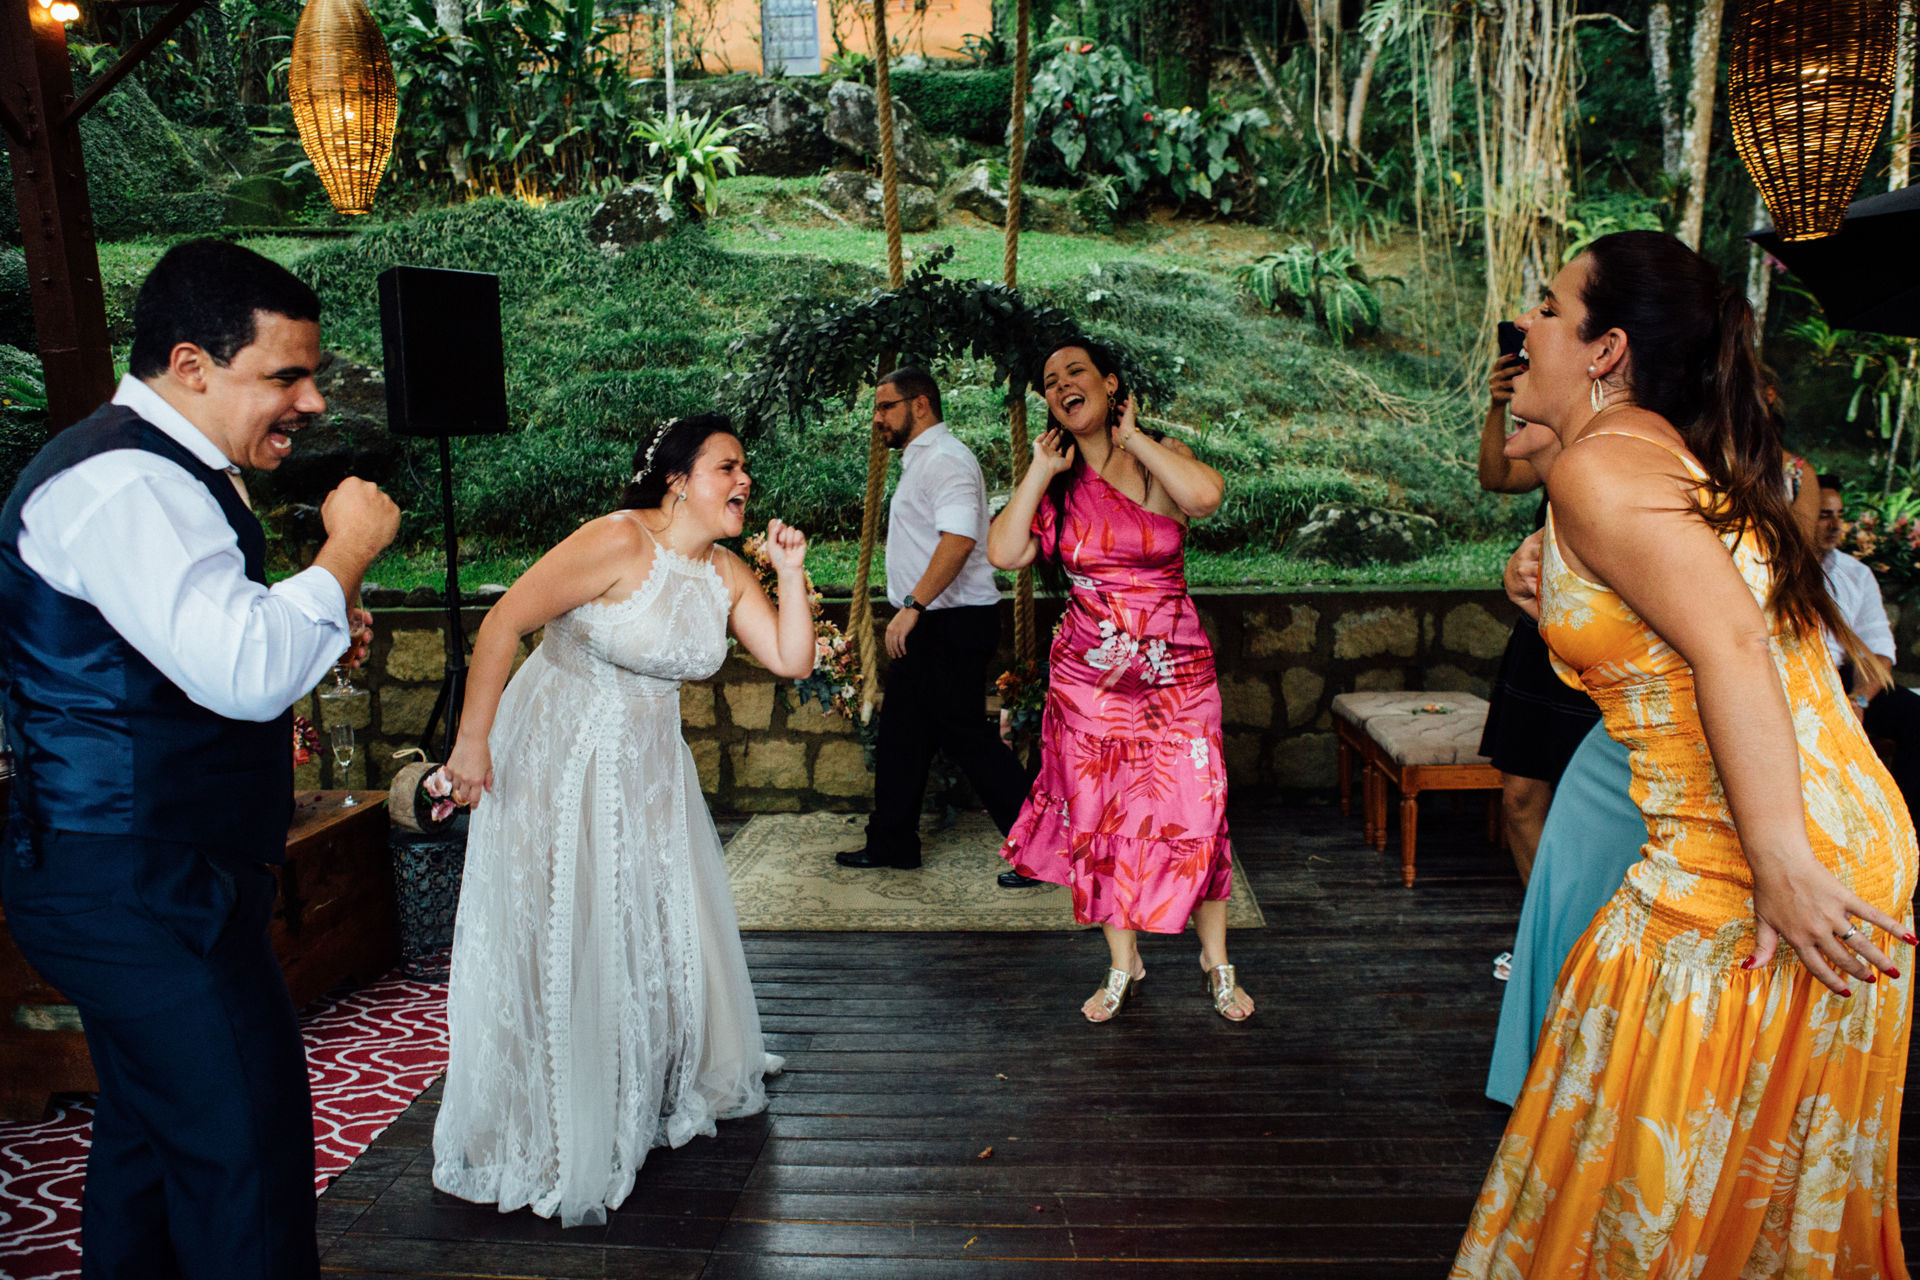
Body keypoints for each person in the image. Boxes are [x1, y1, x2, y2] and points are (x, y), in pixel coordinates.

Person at [1454, 230, 1917, 1276]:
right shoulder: (1658, 452)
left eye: (1549, 305)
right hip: (1822, 835)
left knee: (1663, 1172)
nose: (1523, 324)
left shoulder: (1601, 468)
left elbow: (1732, 638)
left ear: (1607, 347)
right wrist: (1542, 571)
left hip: (1768, 857)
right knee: (1746, 1183)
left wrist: (1783, 864)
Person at [0, 239, 399, 1279]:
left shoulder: (150, 468)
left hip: (143, 871)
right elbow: (241, 669)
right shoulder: (130, 480)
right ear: (190, 365)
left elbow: (197, 646)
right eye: (286, 374)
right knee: (244, 1156)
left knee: (150, 1147)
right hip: (139, 880)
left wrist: (312, 613)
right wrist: (342, 553)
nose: (312, 401)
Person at [433, 413, 811, 1228]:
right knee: (565, 925)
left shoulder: (724, 570)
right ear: (678, 479)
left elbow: (790, 658)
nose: (745, 481)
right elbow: (504, 624)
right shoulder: (617, 541)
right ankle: (559, 1112)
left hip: (647, 768)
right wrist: (470, 748)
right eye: (727, 467)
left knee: (642, 922)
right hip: (560, 758)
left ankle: (635, 1092)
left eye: (747, 469)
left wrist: (788, 572)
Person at [1484, 441, 1825, 1107]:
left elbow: (1752, 627)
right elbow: (1511, 482)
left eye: (1547, 324)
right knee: (1573, 892)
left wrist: (1779, 851)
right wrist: (1536, 567)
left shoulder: (1746, 478)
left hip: (1702, 740)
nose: (1524, 330)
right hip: (1614, 734)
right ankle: (1563, 1080)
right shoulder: (1602, 456)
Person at [986, 338, 1252, 1023]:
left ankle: (1216, 961)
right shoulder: (1062, 480)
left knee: (1198, 812)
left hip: (1175, 673)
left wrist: (1136, 438)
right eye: (1049, 382)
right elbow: (1005, 551)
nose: (1062, 385)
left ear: (1109, 384)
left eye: (1075, 372)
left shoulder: (1152, 456)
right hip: (1091, 678)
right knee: (1104, 819)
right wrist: (1041, 471)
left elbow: (1207, 497)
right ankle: (1121, 961)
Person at [833, 367, 1036, 884]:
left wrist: (913, 606)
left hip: (950, 622)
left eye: (886, 407)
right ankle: (893, 842)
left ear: (920, 405)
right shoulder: (920, 460)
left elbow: (960, 539)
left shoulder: (945, 461)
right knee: (904, 733)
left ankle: (1038, 849)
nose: (877, 418)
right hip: (932, 622)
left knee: (968, 738)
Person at [1474, 351, 1602, 879]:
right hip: (1540, 632)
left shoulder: (1620, 442)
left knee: (1592, 804)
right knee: (1520, 798)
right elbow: (1497, 475)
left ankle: (1586, 947)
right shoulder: (1551, 431)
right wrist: (1497, 407)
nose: (1528, 323)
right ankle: (1541, 935)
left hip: (1604, 642)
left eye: (1547, 311)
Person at [1816, 473, 1920, 819]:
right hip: (1790, 677)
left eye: (1839, 515)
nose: (1834, 525)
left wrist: (1859, 700)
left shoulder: (1856, 573)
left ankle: (1906, 829)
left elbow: (1877, 649)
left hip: (1842, 680)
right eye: (1823, 514)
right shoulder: (1768, 568)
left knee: (1916, 715)